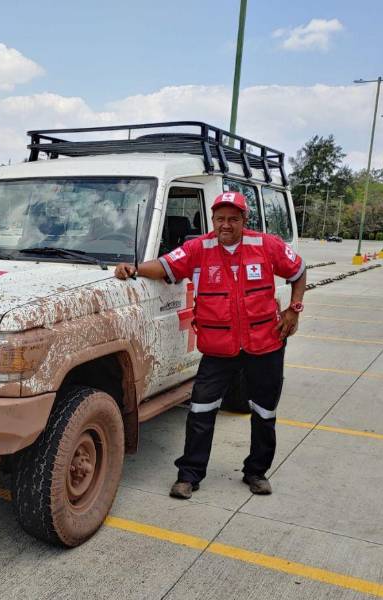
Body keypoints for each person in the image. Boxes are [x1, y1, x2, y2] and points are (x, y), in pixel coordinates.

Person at [114, 191, 306, 499]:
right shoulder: (198, 249)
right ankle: (189, 475)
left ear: (245, 220)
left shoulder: (266, 245)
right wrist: (134, 269)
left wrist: (293, 309)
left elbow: (298, 272)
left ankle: (256, 472)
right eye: (220, 219)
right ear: (212, 220)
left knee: (264, 412)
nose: (226, 225)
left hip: (265, 345)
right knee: (201, 410)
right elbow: (164, 266)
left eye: (233, 219)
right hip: (219, 350)